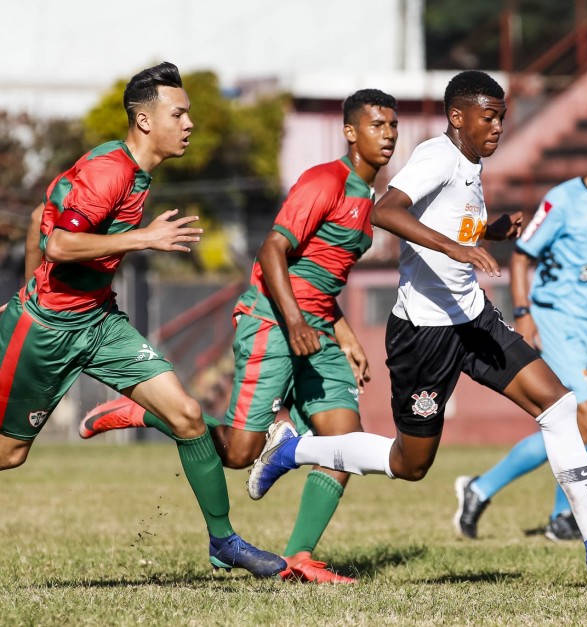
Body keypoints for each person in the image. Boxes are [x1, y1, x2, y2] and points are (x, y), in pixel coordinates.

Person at [247, 71, 587, 583]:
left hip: (472, 319)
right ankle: (293, 449)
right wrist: (458, 248)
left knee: (558, 405)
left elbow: (450, 224)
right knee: (410, 463)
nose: (497, 127)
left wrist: (489, 231)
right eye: (488, 117)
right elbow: (386, 211)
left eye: (501, 118)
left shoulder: (470, 163)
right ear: (456, 117)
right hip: (424, 334)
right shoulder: (436, 156)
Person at [78, 89, 400, 584]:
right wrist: (294, 321)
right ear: (351, 132)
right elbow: (273, 251)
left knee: (344, 442)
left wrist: (345, 334)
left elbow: (319, 276)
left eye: (393, 126)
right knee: (237, 454)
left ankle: (301, 557)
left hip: (316, 331)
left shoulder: (370, 198)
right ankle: (144, 411)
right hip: (273, 323)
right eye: (377, 125)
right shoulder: (324, 181)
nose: (389, 135)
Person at [0, 62, 286, 577]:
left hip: (99, 322)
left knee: (188, 416)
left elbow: (45, 217)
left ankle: (224, 542)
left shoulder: (137, 172)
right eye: (179, 113)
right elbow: (56, 242)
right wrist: (141, 238)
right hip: (46, 330)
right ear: (145, 120)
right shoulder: (110, 170)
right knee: (9, 453)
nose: (189, 123)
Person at [454, 119, 587, 542]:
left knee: (574, 424)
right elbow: (522, 255)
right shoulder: (563, 200)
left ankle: (484, 490)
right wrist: (524, 314)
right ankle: (559, 515)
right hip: (555, 317)